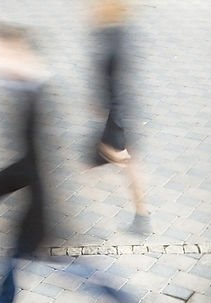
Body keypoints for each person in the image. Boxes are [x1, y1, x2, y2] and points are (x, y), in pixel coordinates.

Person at [0, 24, 136, 303]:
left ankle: (127, 302)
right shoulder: (18, 87)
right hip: (32, 198)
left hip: (46, 204)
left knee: (67, 264)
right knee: (10, 253)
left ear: (13, 51)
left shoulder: (40, 93)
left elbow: (40, 161)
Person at [86, 0, 149, 233]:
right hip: (121, 114)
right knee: (128, 164)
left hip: (115, 118)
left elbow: (115, 84)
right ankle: (141, 215)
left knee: (90, 165)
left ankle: (89, 223)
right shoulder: (116, 33)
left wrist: (115, 131)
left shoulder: (113, 38)